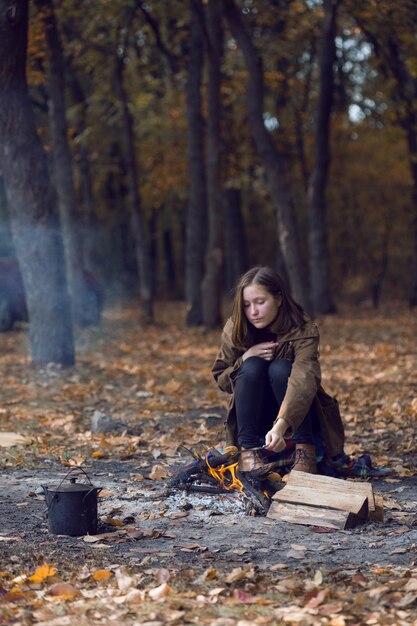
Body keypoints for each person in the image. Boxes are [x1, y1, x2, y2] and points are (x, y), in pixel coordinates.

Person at [211, 266, 345, 474]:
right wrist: (245, 358)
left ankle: (304, 451)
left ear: (279, 299)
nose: (253, 312)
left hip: (297, 417)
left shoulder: (303, 329)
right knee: (252, 366)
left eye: (260, 302)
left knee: (281, 368)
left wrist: (281, 425)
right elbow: (221, 377)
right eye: (246, 305)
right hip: (255, 417)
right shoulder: (236, 328)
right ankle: (249, 452)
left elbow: (305, 380)